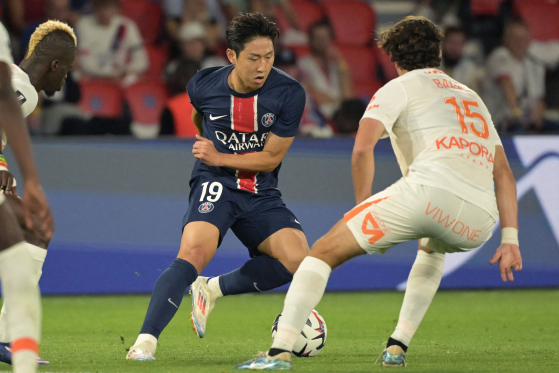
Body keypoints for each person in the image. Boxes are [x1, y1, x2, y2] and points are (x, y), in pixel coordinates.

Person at [235, 16, 522, 370]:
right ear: (438, 54)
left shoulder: (397, 88)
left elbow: (362, 148)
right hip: (480, 221)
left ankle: (278, 353)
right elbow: (504, 173)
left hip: (429, 194)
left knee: (321, 253)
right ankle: (397, 347)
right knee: (431, 249)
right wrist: (510, 239)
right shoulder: (471, 97)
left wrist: (363, 207)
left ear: (394, 58)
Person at [126, 13, 309, 361]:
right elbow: (201, 118)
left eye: (268, 56)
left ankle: (211, 289)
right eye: (254, 57)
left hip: (260, 189)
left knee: (298, 259)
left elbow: (270, 158)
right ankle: (145, 342)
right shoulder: (203, 84)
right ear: (231, 56)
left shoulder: (288, 93)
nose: (263, 66)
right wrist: (213, 156)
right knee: (193, 253)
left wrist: (219, 154)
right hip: (215, 182)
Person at [0, 20, 76, 367]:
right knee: (37, 227)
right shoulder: (22, 90)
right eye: (67, 70)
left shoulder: (13, 79)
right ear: (55, 66)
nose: (66, 80)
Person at [482, 20, 545, 133]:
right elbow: (507, 86)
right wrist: (519, 114)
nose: (519, 42)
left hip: (527, 121)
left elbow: (539, 99)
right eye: (515, 38)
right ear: (506, 40)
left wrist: (537, 123)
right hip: (499, 122)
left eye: (523, 38)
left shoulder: (534, 64)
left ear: (529, 40)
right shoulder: (499, 56)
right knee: (519, 130)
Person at [74, 0, 148, 85]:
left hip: (120, 76)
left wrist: (127, 71)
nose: (105, 12)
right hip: (92, 76)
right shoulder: (83, 25)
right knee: (74, 76)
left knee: (135, 80)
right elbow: (84, 60)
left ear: (116, 8)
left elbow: (141, 59)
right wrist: (105, 74)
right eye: (101, 8)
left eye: (109, 7)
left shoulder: (127, 25)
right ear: (94, 8)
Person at [298, 20, 354, 123]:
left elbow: (349, 98)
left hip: (342, 117)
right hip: (319, 116)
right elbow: (313, 96)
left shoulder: (336, 66)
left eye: (325, 37)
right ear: (310, 40)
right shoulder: (303, 64)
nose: (322, 41)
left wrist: (340, 60)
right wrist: (341, 103)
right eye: (318, 38)